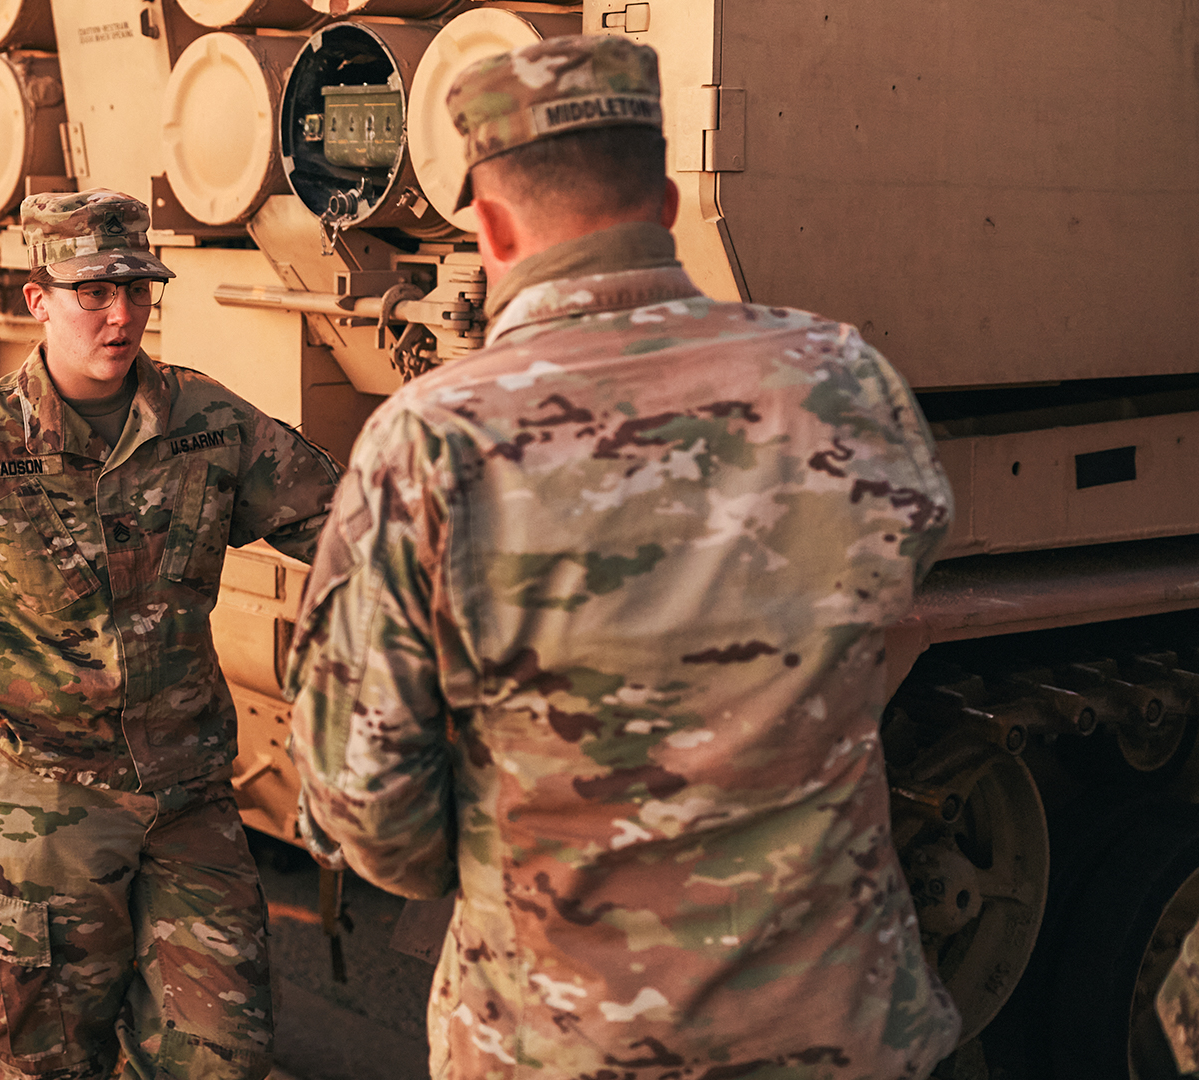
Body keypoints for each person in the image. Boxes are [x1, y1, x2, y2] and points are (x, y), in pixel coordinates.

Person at [285, 35, 962, 1080]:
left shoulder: (431, 443)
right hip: (834, 1033)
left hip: (562, 1043)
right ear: (670, 208)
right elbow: (898, 587)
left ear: (491, 224)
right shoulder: (841, 379)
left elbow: (372, 814)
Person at [0, 189, 339, 1080]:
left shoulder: (207, 423)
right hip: (42, 810)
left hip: (189, 803)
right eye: (93, 294)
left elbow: (345, 525)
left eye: (137, 289)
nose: (121, 316)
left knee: (222, 1055)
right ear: (36, 298)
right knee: (47, 1064)